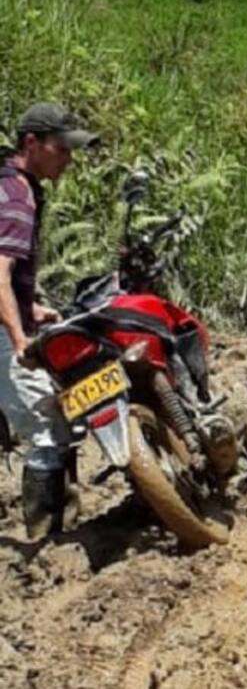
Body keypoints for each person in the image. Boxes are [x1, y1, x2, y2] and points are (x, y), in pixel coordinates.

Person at [0, 102, 97, 539]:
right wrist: (19, 335)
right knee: (47, 423)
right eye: (62, 149)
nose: (69, 160)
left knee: (57, 411)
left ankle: (63, 522)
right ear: (32, 144)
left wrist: (30, 306)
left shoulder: (17, 187)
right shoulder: (16, 197)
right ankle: (45, 539)